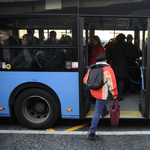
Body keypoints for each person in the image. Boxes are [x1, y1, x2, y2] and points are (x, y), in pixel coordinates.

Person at [83, 54, 118, 140]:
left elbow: (85, 80)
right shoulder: (108, 69)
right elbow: (112, 85)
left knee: (100, 104)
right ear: (105, 60)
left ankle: (104, 111)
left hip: (93, 91)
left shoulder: (92, 68)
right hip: (102, 94)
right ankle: (91, 132)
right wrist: (115, 95)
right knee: (97, 112)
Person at [108, 34, 142, 101]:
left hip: (114, 66)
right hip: (123, 67)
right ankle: (119, 97)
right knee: (121, 81)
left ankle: (114, 97)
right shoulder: (124, 46)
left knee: (114, 82)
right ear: (123, 39)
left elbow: (109, 56)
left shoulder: (113, 46)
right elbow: (130, 56)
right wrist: (140, 53)